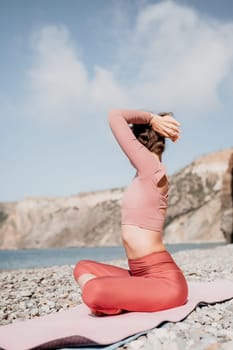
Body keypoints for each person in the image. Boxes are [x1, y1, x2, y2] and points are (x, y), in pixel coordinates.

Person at [73, 109, 188, 316]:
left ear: (139, 141)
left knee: (93, 290)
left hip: (166, 283)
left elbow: (114, 115)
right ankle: (114, 301)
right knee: (82, 267)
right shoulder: (147, 172)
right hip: (139, 275)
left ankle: (109, 301)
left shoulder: (150, 167)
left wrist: (153, 119)